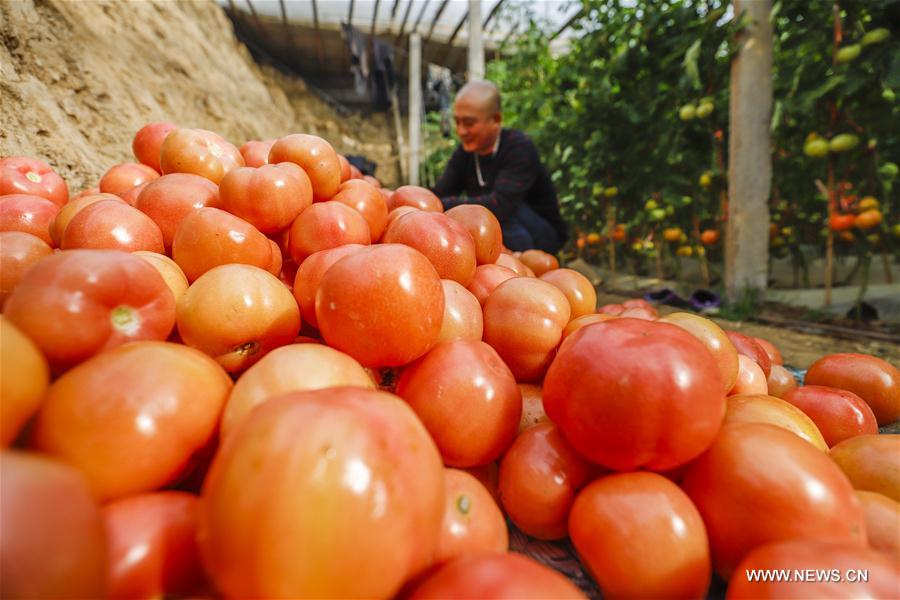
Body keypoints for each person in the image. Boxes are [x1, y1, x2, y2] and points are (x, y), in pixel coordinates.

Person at [430, 80, 568, 253]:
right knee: (481, 217)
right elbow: (439, 192)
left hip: (540, 233)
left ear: (496, 119)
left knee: (497, 213)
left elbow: (500, 204)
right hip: (503, 229)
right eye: (457, 122)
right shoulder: (465, 153)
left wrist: (440, 205)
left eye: (469, 123)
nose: (461, 131)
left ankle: (521, 266)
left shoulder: (519, 147)